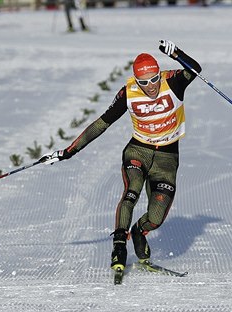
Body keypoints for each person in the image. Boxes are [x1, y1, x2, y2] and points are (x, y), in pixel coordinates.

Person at [40, 40, 201, 273]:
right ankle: (119, 246)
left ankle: (138, 231)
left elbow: (194, 69)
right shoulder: (129, 93)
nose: (152, 86)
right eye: (145, 82)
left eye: (154, 79)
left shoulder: (173, 82)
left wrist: (175, 53)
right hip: (139, 151)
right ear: (137, 80)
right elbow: (101, 123)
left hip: (167, 158)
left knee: (156, 217)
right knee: (131, 191)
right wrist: (68, 151)